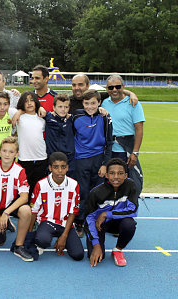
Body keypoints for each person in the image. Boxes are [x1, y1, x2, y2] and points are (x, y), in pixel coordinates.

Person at [72, 89, 113, 236]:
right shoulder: (76, 115)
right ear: (82, 103)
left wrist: (104, 164)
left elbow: (109, 143)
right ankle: (79, 222)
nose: (90, 106)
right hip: (81, 160)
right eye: (86, 103)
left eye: (93, 103)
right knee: (82, 192)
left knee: (97, 194)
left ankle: (95, 222)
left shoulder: (105, 117)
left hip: (98, 160)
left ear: (99, 103)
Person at [30, 152, 84, 261]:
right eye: (56, 167)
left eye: (63, 167)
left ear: (67, 168)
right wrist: (30, 234)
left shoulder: (74, 185)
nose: (60, 170)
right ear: (50, 168)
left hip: (66, 223)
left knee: (78, 255)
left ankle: (62, 237)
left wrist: (64, 236)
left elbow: (73, 212)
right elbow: (34, 211)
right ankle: (40, 237)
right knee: (42, 240)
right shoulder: (41, 184)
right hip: (47, 221)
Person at [85, 158, 138, 267]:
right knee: (99, 257)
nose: (116, 177)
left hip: (118, 222)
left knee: (130, 224)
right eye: (112, 173)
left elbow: (133, 209)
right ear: (107, 175)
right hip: (100, 225)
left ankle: (118, 250)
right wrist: (96, 244)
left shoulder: (130, 185)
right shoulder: (96, 193)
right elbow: (89, 219)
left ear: (125, 175)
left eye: (120, 173)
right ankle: (99, 242)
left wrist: (106, 214)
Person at [0, 137, 33, 262]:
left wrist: (6, 213)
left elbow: (24, 197)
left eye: (11, 152)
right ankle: (3, 222)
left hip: (10, 206)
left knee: (26, 210)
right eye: (4, 151)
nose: (7, 154)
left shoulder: (20, 170)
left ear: (17, 154)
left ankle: (18, 246)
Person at [101, 75, 145, 195]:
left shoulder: (133, 103)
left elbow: (139, 129)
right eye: (111, 87)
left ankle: (127, 209)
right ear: (107, 89)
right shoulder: (103, 103)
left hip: (125, 150)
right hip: (108, 151)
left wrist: (135, 152)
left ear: (123, 87)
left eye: (118, 86)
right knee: (108, 183)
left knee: (127, 183)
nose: (114, 89)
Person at [16, 91, 48, 199]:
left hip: (41, 157)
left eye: (32, 100)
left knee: (39, 187)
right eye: (26, 101)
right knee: (25, 188)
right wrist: (19, 111)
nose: (29, 103)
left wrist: (42, 108)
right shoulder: (18, 117)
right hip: (25, 158)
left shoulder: (42, 119)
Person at [70, 73, 138, 115]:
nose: (77, 88)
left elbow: (114, 91)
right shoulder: (67, 102)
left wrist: (131, 94)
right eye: (74, 85)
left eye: (80, 85)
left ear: (88, 85)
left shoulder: (98, 97)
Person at [43, 93, 75, 178]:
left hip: (69, 159)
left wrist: (100, 109)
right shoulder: (48, 117)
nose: (63, 110)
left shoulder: (72, 119)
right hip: (52, 158)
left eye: (66, 107)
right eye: (60, 107)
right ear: (54, 107)